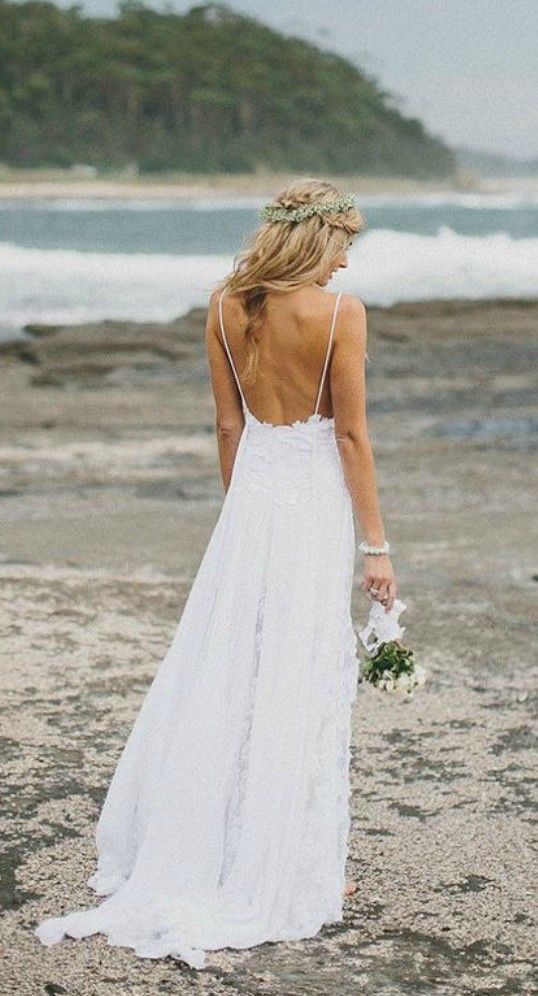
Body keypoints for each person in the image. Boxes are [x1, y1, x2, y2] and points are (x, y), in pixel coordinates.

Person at [35, 178, 397, 971]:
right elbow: (351, 439)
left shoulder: (226, 305)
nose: (345, 261)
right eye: (341, 243)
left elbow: (229, 424)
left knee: (231, 672)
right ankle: (285, 868)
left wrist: (241, 512)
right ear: (314, 239)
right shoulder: (341, 313)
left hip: (252, 507)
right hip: (308, 511)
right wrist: (376, 546)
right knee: (295, 678)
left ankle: (223, 847)